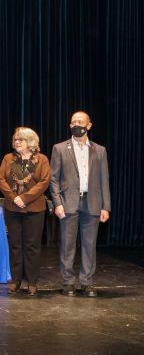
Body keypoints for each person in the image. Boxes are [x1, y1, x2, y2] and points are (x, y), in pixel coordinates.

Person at [50, 111, 110, 297]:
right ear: (70, 126)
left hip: (92, 203)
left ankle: (87, 282)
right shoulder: (59, 148)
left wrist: (105, 206)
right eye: (74, 122)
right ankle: (68, 282)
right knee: (67, 245)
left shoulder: (99, 150)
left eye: (80, 122)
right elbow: (54, 179)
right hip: (68, 203)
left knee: (89, 246)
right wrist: (57, 203)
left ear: (89, 125)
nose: (77, 124)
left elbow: (104, 179)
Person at [0, 127, 50, 296]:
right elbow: (0, 179)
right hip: (13, 208)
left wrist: (25, 198)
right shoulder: (8, 158)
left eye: (21, 139)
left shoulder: (41, 159)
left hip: (34, 208)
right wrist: (14, 197)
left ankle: (32, 281)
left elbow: (44, 182)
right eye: (15, 139)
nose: (16, 142)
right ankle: (16, 280)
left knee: (32, 247)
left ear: (30, 142)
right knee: (15, 245)